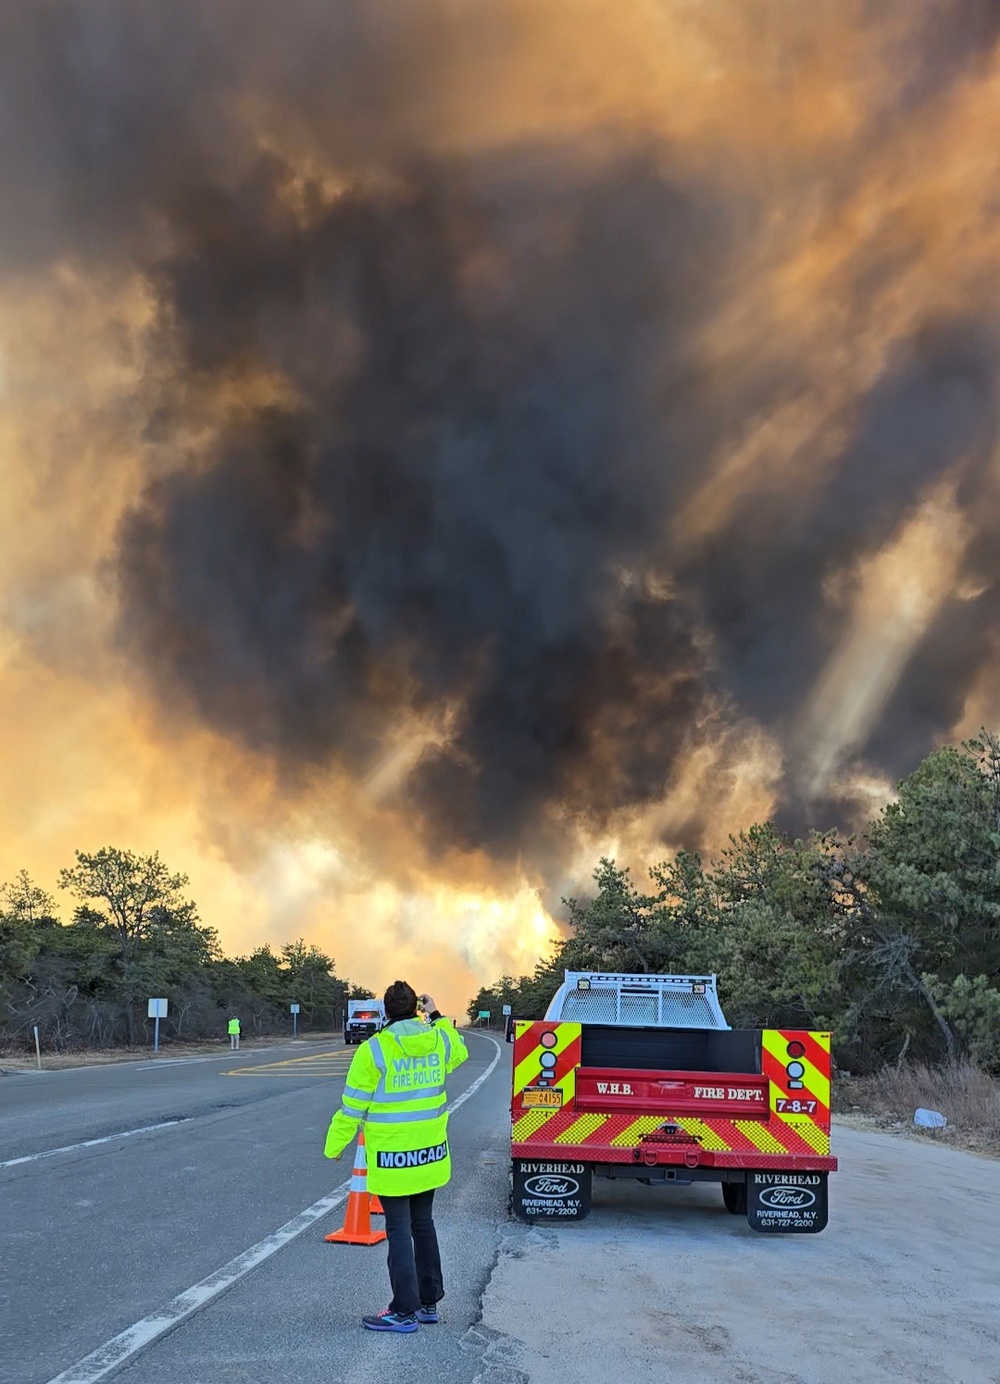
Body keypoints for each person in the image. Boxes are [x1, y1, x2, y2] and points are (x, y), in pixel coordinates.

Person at [323, 980, 468, 1333]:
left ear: (386, 1011)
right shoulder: (437, 1038)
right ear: (416, 1009)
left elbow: (352, 1108)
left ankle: (403, 1310)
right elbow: (459, 1049)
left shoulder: (374, 1050)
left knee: (399, 1230)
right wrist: (435, 1014)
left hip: (392, 1159)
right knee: (424, 1225)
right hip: (430, 1156)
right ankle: (428, 1302)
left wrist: (334, 1147)